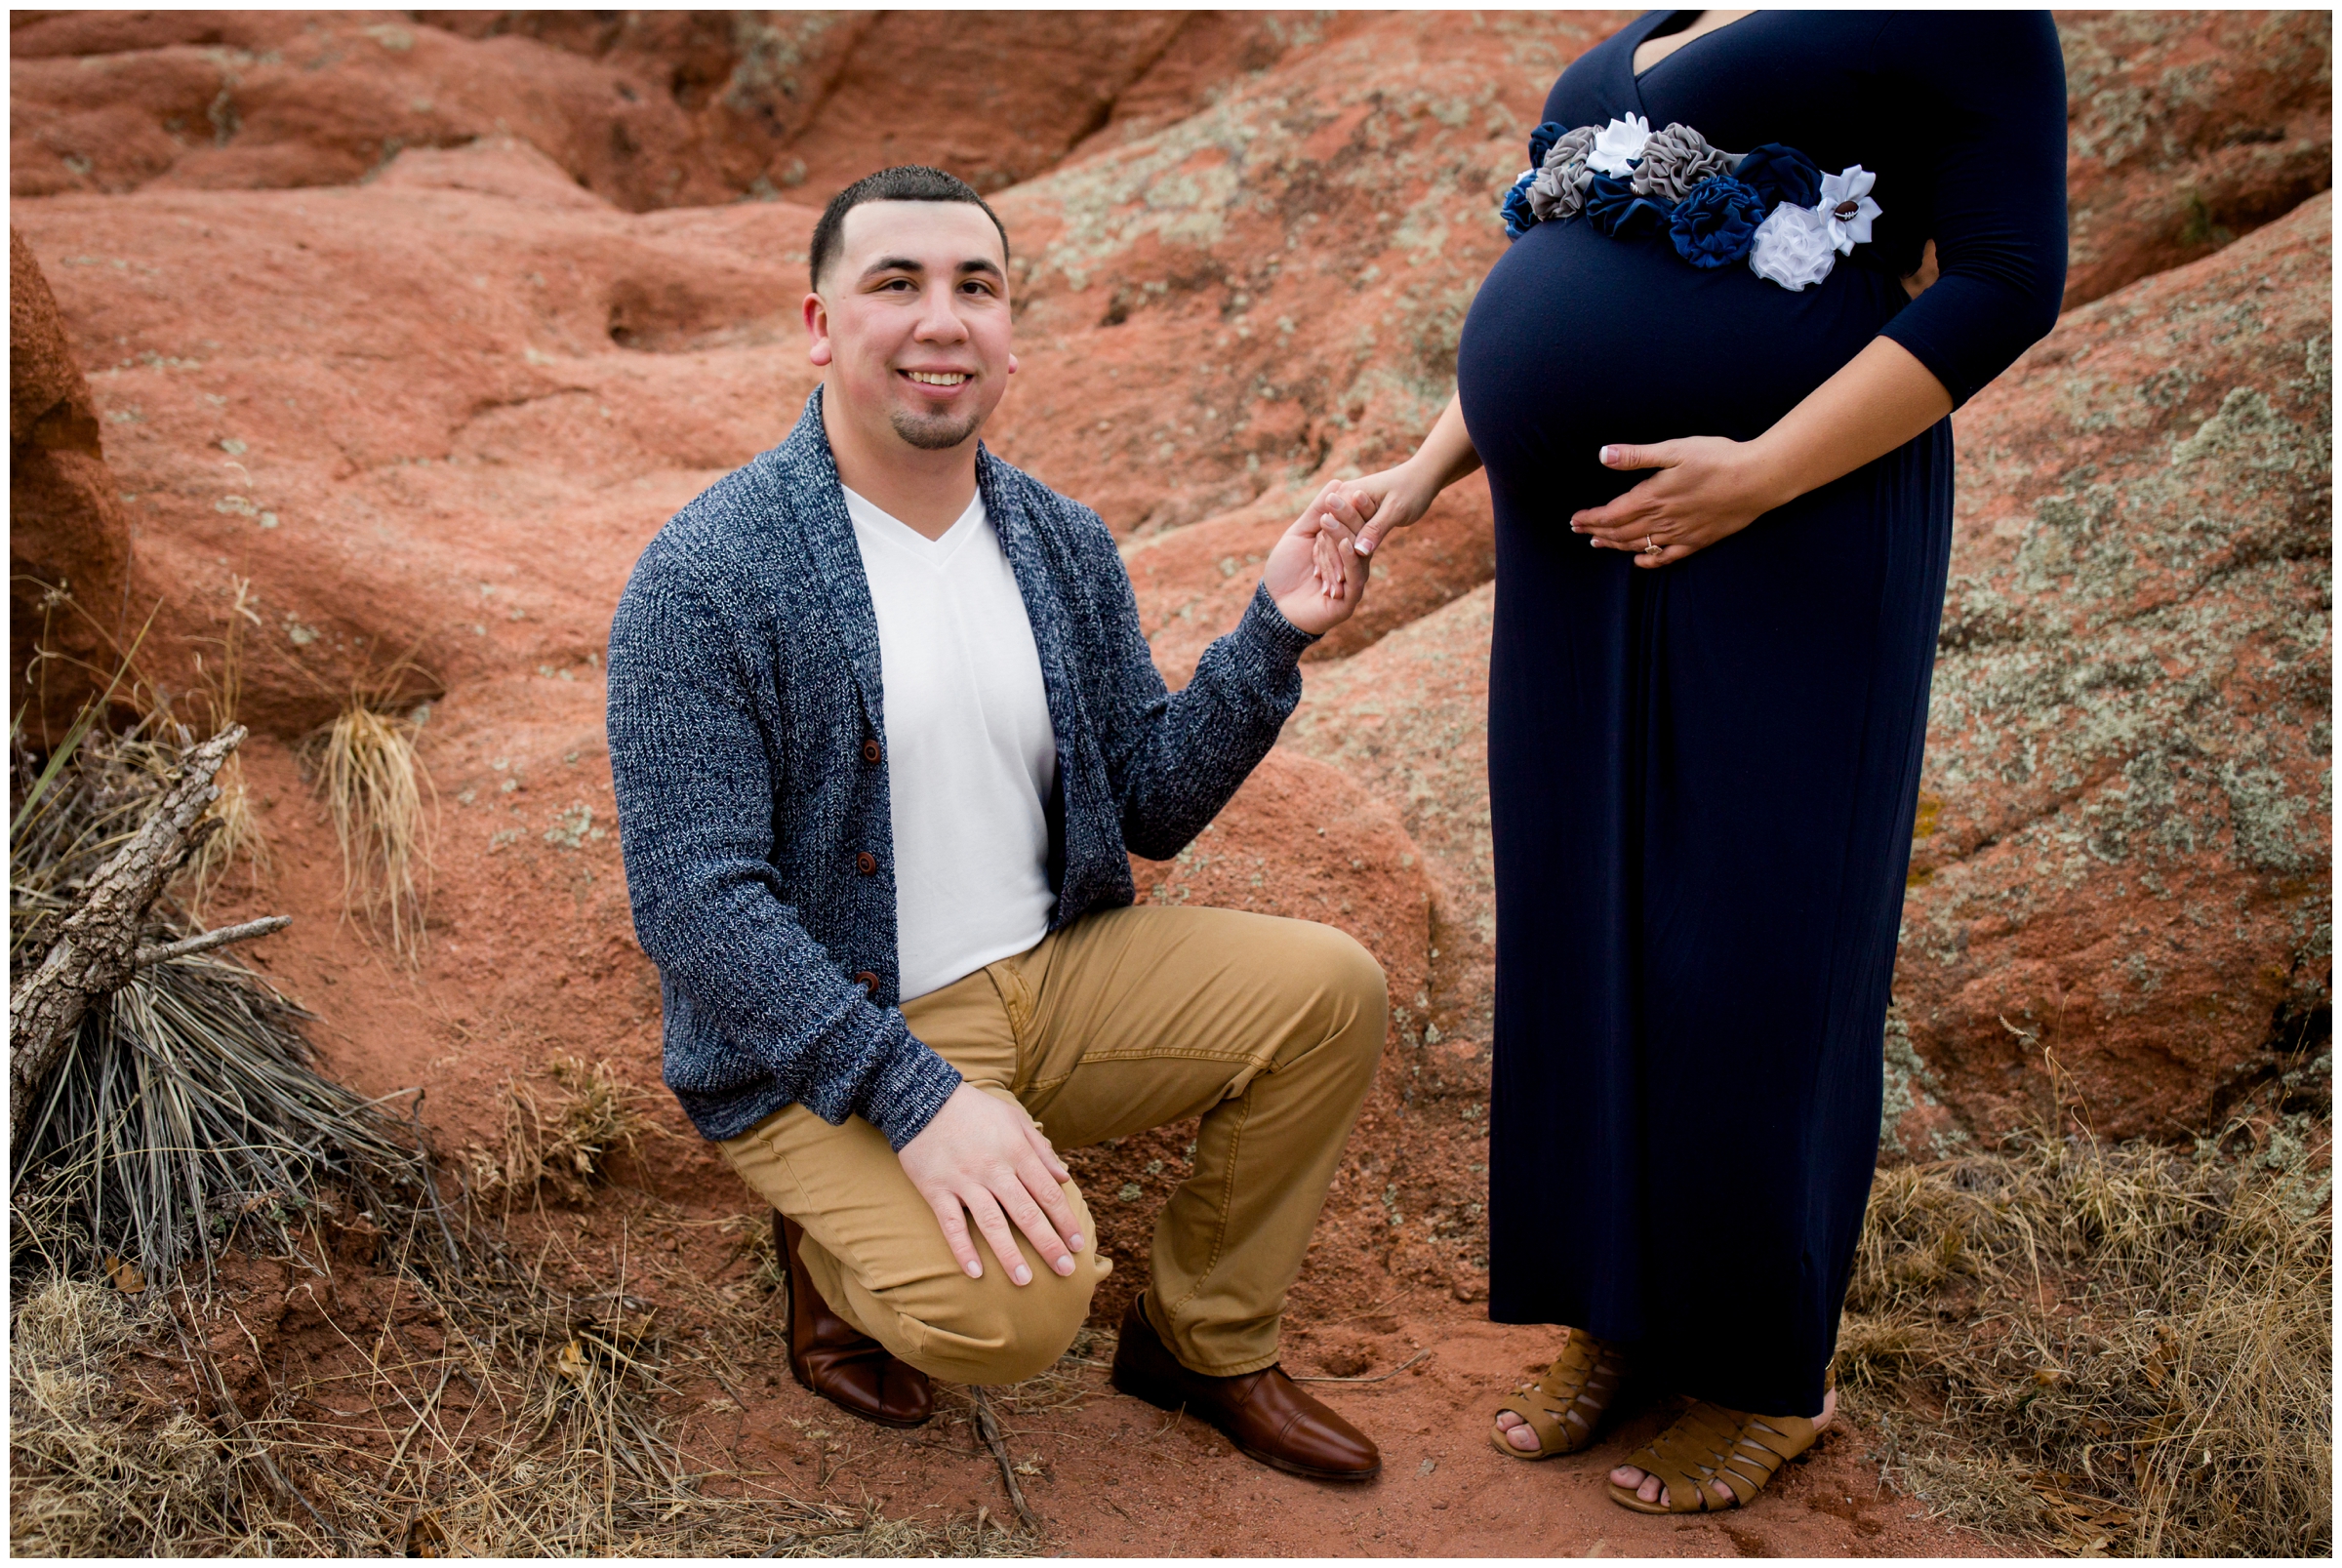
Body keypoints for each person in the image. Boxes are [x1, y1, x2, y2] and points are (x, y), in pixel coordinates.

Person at [1324, 10, 2068, 1513]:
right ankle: (1619, 1315)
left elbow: (2006, 280)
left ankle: (1760, 1371)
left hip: (1789, 523)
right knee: (1584, 920)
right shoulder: (1657, 24)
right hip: (1575, 556)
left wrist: (1760, 473)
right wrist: (1421, 470)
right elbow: (1575, 254)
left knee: (1752, 942)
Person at [605, 165, 1392, 1482]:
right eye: (896, 285)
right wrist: (915, 1098)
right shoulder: (708, 574)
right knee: (1020, 1316)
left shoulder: (1060, 541)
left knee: (1331, 994)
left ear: (1011, 335)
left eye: (977, 287)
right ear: (819, 325)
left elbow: (1148, 799)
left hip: (1057, 977)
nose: (942, 320)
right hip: (847, 1032)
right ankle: (835, 1260)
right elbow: (696, 907)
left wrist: (1272, 635)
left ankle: (1200, 1341)